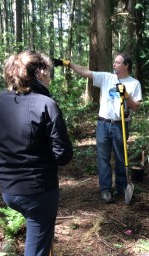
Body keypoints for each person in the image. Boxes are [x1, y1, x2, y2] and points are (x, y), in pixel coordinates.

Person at [0, 50, 73, 256]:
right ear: (41, 72)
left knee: (38, 242)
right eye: (49, 73)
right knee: (35, 252)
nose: (50, 77)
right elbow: (63, 155)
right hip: (38, 193)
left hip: (8, 190)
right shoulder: (47, 104)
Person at [54, 53, 142, 203]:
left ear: (126, 65)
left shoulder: (134, 83)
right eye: (114, 62)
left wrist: (126, 95)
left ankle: (122, 187)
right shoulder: (107, 77)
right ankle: (105, 189)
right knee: (103, 158)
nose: (114, 65)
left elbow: (136, 107)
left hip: (120, 124)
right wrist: (68, 64)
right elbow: (85, 72)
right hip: (103, 124)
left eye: (117, 62)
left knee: (121, 157)